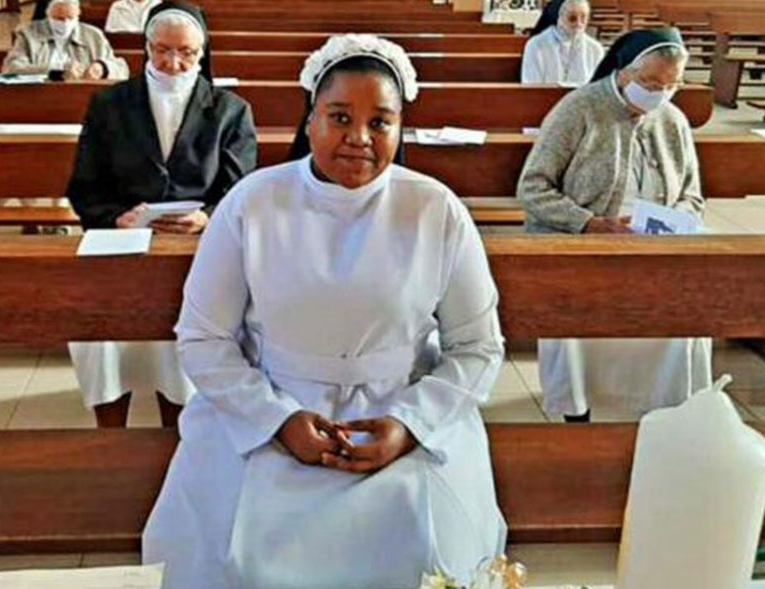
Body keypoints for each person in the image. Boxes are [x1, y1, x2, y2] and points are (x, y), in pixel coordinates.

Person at [142, 34, 507, 589]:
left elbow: (478, 346)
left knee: (424, 545)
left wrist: (410, 425)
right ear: (310, 121)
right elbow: (202, 336)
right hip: (267, 409)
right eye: (340, 117)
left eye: (380, 122)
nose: (359, 138)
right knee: (236, 551)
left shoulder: (435, 209)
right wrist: (276, 420)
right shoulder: (253, 203)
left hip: (400, 415)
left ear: (400, 128)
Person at [66, 1, 258, 427]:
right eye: (162, 50)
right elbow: (84, 185)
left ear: (202, 52)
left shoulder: (230, 110)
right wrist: (115, 217)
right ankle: (110, 427)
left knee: (185, 332)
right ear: (146, 47)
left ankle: (184, 424)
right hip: (121, 241)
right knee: (103, 321)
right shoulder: (109, 104)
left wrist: (208, 216)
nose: (173, 63)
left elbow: (242, 189)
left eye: (186, 52)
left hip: (198, 243)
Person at [517, 28, 710, 422]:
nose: (659, 94)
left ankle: (666, 408)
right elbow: (532, 188)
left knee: (689, 305)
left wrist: (675, 223)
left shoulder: (672, 119)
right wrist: (592, 224)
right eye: (650, 83)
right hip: (581, 240)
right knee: (575, 305)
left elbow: (692, 194)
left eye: (671, 85)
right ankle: (577, 406)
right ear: (623, 72)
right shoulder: (579, 108)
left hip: (655, 246)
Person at [3, 0, 129, 80]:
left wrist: (103, 68)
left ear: (78, 15)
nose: (65, 23)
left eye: (70, 18)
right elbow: (11, 68)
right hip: (39, 97)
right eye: (59, 18)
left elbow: (121, 69)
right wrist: (57, 69)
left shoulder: (93, 35)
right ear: (48, 15)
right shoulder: (28, 34)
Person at [521, 0, 605, 84]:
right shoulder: (536, 45)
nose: (579, 24)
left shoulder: (595, 49)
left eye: (583, 18)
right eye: (572, 18)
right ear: (560, 18)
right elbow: (531, 86)